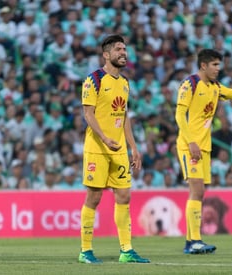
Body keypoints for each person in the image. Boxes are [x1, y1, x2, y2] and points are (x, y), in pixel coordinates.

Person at [78, 34, 149, 264]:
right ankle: (85, 251)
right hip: (97, 148)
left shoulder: (125, 83)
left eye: (125, 49)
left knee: (124, 195)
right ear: (106, 55)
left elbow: (124, 115)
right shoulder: (94, 80)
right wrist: (105, 138)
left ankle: (126, 250)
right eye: (118, 49)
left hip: (118, 149)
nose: (123, 52)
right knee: (94, 196)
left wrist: (134, 147)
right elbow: (88, 114)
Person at [175, 48, 232, 254]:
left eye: (219, 65)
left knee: (200, 192)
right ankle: (193, 240)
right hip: (190, 145)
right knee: (196, 190)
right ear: (203, 65)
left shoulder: (215, 87)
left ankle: (191, 241)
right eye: (214, 65)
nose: (217, 69)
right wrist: (191, 142)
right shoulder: (190, 84)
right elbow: (179, 116)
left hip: (205, 148)